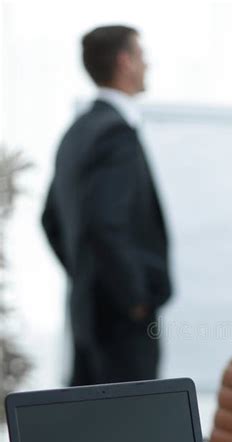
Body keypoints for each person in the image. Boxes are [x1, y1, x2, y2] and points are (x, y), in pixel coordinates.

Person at [42, 25, 172, 386]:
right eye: (142, 56)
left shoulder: (77, 131)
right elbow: (104, 222)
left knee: (90, 428)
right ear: (125, 61)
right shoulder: (115, 133)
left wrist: (84, 273)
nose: (148, 65)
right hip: (121, 319)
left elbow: (50, 220)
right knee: (130, 427)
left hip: (87, 309)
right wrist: (135, 299)